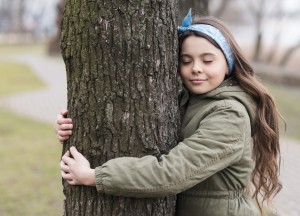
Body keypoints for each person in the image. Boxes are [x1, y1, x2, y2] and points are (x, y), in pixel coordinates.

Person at [56, 9, 284, 216]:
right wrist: (72, 124)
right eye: (186, 61)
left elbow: (171, 173)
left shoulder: (229, 115)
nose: (196, 68)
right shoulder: (187, 100)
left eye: (207, 60)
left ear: (228, 66)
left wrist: (96, 176)